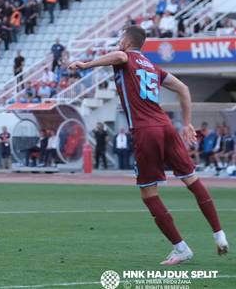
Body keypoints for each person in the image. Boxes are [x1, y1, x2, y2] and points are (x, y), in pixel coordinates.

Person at [69, 25, 229, 265]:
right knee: (192, 180)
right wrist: (186, 124)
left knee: (149, 193)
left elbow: (120, 56)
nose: (118, 42)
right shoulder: (152, 66)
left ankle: (181, 248)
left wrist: (86, 65)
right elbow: (183, 89)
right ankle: (219, 234)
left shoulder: (125, 57)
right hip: (167, 127)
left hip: (146, 130)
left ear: (126, 40)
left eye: (120, 37)